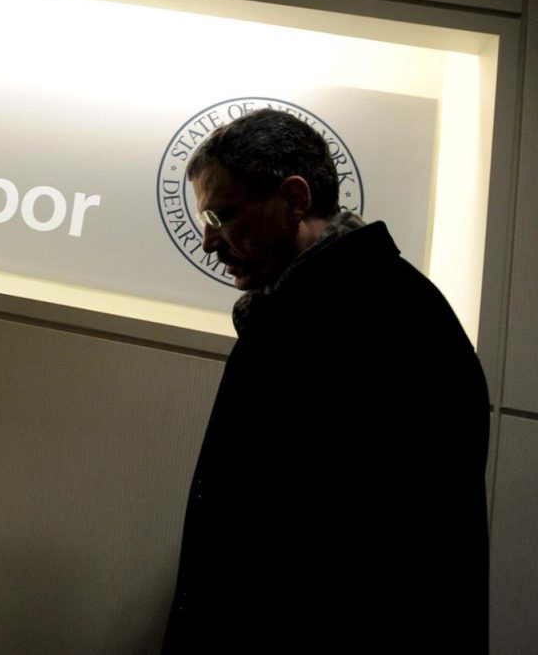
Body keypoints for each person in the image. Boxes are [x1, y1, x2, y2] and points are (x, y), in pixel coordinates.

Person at [161, 108, 489, 653]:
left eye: (222, 217)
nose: (207, 242)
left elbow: (379, 561)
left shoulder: (389, 323)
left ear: (294, 198)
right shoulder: (321, 309)